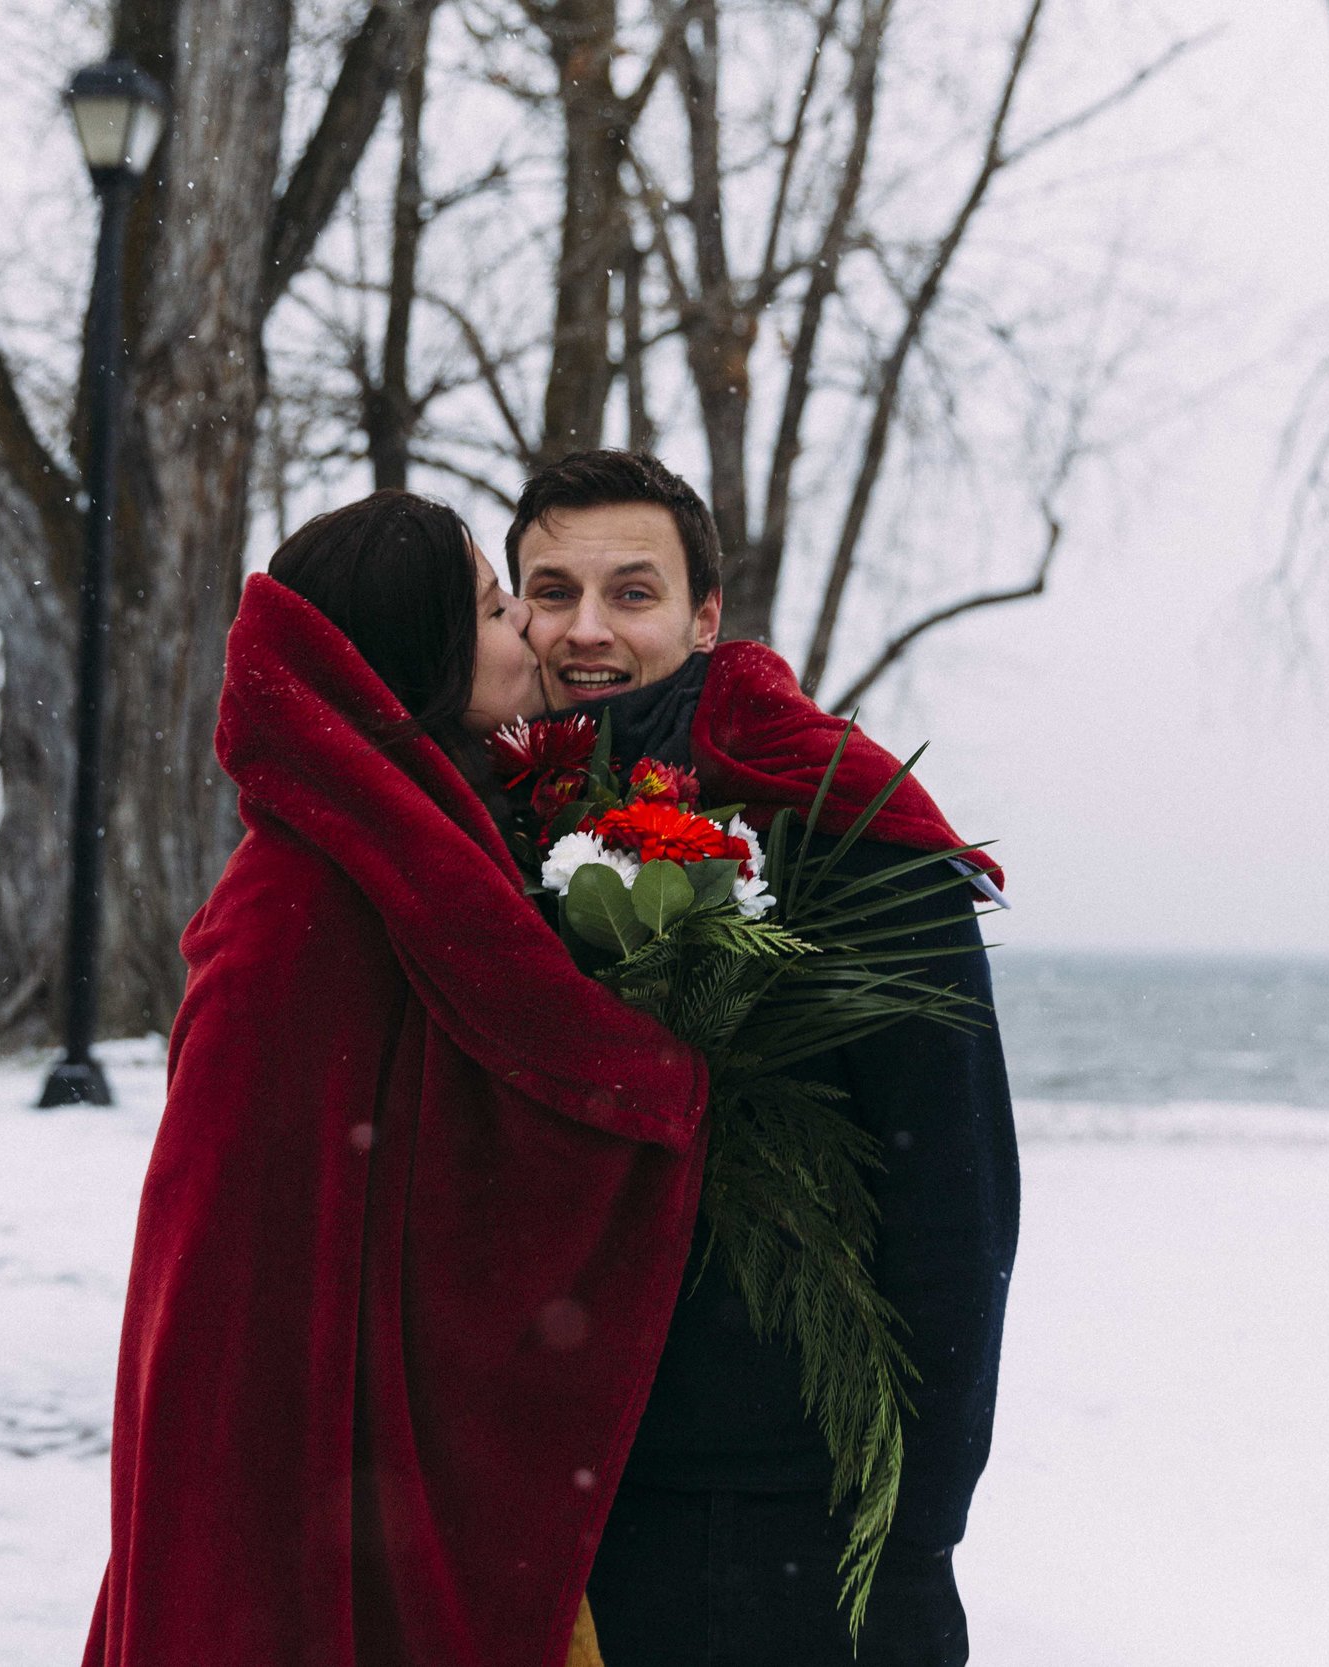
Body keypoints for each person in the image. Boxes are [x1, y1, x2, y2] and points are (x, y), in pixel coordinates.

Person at [80, 490, 709, 1667]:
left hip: (391, 1494)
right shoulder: (298, 911)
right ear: (414, 655)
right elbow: (228, 1307)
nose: (526, 624)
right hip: (298, 1527)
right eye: (490, 605)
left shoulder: (434, 849)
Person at [507, 451, 1020, 1667]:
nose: (586, 629)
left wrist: (910, 1535)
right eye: (550, 590)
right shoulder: (484, 830)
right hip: (547, 1507)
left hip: (787, 1513)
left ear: (703, 615)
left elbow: (955, 1213)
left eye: (631, 593)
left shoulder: (840, 824)